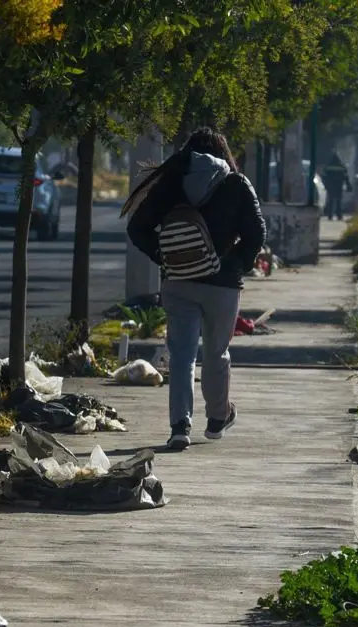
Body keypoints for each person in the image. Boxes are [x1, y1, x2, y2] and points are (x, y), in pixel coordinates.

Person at [121, 127, 266, 450]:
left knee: (182, 355)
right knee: (217, 352)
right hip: (223, 286)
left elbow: (137, 227)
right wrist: (234, 264)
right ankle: (216, 421)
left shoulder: (172, 182)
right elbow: (257, 233)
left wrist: (164, 257)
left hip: (179, 282)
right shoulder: (235, 183)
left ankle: (179, 427)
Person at [321, 152, 351, 220]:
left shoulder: (328, 166)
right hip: (339, 185)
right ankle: (339, 215)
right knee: (338, 201)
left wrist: (325, 185)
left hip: (331, 186)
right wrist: (348, 185)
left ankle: (330, 215)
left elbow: (324, 177)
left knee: (331, 201)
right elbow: (346, 177)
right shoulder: (342, 166)